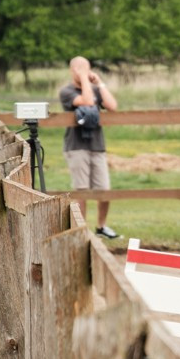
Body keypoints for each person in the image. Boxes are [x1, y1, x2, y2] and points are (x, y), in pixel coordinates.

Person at [59, 55, 120, 239]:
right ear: (72, 70)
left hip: (97, 144)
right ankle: (81, 230)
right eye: (79, 69)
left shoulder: (94, 89)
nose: (83, 72)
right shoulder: (66, 91)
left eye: (85, 68)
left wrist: (99, 83)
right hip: (76, 146)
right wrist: (85, 79)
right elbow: (86, 101)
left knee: (104, 189)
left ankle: (101, 227)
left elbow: (112, 106)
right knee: (81, 190)